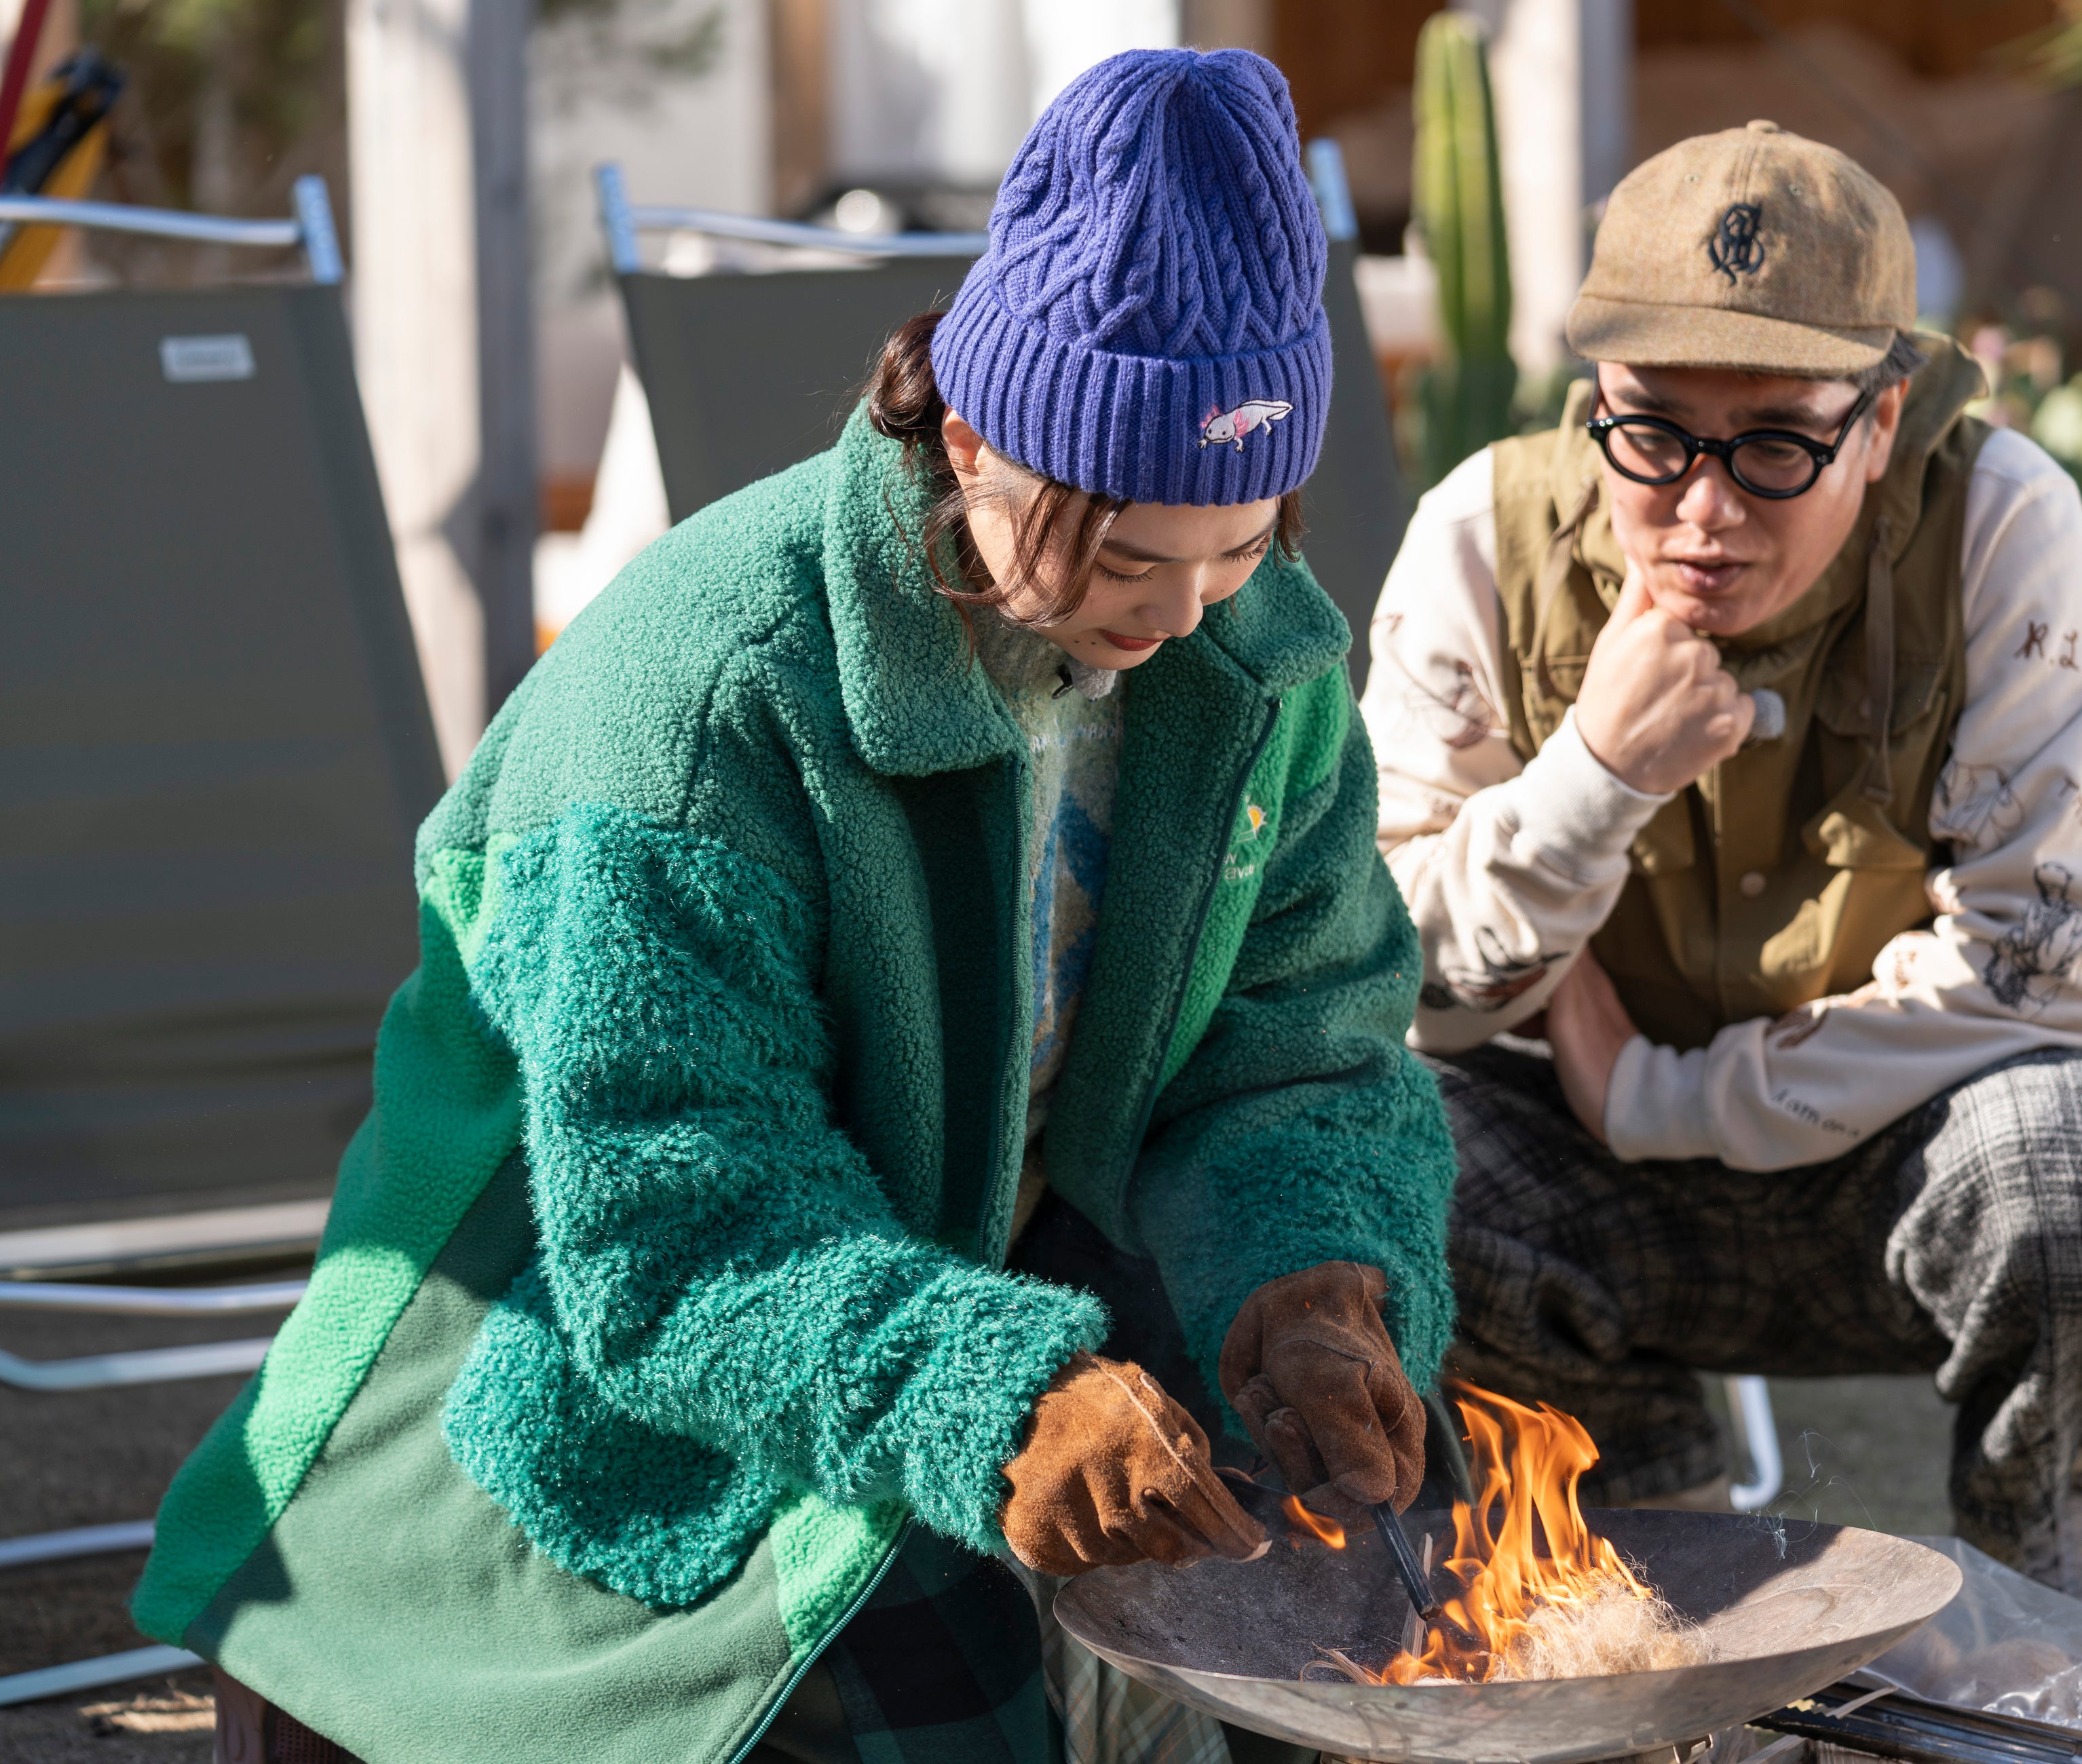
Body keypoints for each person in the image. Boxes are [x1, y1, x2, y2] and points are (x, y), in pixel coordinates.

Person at [135, 49, 1452, 1764]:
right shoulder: (703, 698)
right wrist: (1004, 1398)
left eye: (1243, 544)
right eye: (1129, 558)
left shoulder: (1258, 660)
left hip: (985, 1270)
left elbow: (1302, 1049)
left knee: (1360, 1621)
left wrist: (1312, 1286)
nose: (1186, 615)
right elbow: (680, 1213)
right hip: (600, 1362)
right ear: (971, 438)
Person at [1362, 122, 2082, 1628]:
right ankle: (1628, 1532)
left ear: (1879, 422)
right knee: (1373, 1147)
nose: (1703, 508)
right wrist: (1592, 784)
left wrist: (1665, 1095)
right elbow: (1372, 975)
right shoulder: (1481, 541)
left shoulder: (2000, 527)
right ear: (1597, 395)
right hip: (1590, 1191)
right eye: (1652, 432)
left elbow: (2067, 962)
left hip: (1914, 1165)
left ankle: (2046, 1517)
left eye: (1775, 445)